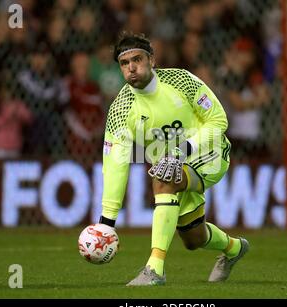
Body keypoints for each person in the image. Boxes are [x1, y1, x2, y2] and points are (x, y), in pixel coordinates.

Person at [98, 33, 249, 286]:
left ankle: (154, 270)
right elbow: (115, 163)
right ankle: (235, 249)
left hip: (209, 154)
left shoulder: (182, 81)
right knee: (194, 238)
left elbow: (219, 120)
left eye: (137, 59)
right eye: (125, 63)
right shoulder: (121, 109)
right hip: (172, 163)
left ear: (152, 60)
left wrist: (183, 149)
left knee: (163, 179)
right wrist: (107, 222)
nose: (132, 67)